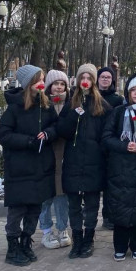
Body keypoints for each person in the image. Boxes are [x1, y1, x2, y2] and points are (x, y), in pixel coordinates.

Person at [0, 65, 58, 267]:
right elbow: (3, 135)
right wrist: (28, 141)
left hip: (40, 167)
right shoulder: (15, 108)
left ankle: (26, 241)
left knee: (35, 208)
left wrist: (48, 134)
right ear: (28, 84)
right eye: (38, 79)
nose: (42, 83)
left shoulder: (45, 105)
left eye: (43, 78)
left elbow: (55, 126)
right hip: (20, 168)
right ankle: (12, 246)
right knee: (17, 209)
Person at [57, 63, 112, 259]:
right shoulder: (70, 104)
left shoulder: (102, 105)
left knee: (91, 205)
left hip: (94, 162)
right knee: (74, 205)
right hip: (73, 161)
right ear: (78, 81)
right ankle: (77, 239)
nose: (86, 81)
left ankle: (89, 239)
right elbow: (61, 130)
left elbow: (108, 133)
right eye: (83, 77)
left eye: (89, 78)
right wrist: (74, 114)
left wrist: (100, 150)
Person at [102, 73, 136, 261]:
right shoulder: (118, 112)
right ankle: (120, 246)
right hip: (120, 169)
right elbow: (107, 137)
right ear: (128, 92)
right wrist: (125, 146)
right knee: (120, 208)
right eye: (133, 89)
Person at [38, 69, 72, 250]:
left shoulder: (71, 103)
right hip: (45, 154)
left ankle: (62, 228)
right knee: (45, 195)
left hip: (65, 154)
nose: (59, 88)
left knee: (61, 194)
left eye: (62, 84)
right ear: (49, 86)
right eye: (55, 84)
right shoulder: (42, 104)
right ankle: (45, 230)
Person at [96, 66, 123, 231]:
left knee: (110, 183)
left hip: (110, 144)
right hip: (94, 143)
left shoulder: (117, 100)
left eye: (108, 77)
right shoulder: (91, 97)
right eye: (102, 77)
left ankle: (109, 215)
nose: (105, 79)